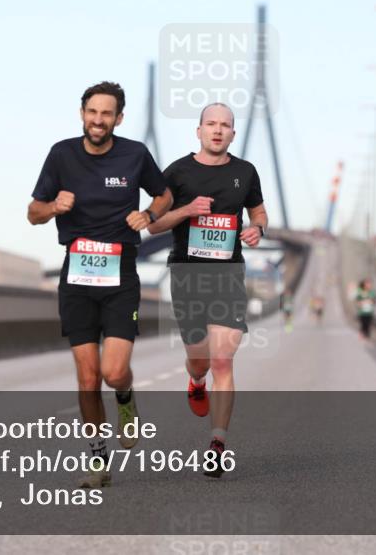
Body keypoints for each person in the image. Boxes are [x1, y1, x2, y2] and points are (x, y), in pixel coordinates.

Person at [28, 81, 171, 488]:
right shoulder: (61, 154)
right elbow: (32, 212)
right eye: (93, 112)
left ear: (118, 119)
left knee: (112, 372)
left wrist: (147, 214)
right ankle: (97, 459)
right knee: (87, 378)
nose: (98, 120)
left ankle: (126, 398)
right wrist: (54, 206)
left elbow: (164, 196)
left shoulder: (134, 155)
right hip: (76, 275)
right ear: (82, 113)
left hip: (121, 274)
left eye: (107, 114)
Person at [146, 102, 267, 478]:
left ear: (233, 132)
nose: (218, 130)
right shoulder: (177, 172)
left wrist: (257, 229)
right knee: (200, 361)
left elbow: (259, 212)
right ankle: (195, 381)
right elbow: (152, 224)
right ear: (198, 131)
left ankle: (217, 443)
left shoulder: (245, 172)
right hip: (187, 277)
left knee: (223, 361)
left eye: (226, 125)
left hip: (228, 276)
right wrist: (186, 211)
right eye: (211, 124)